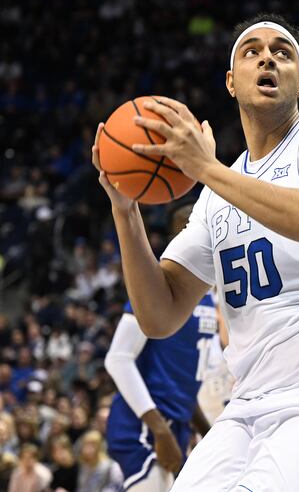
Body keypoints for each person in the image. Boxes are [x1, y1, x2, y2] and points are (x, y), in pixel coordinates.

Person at [91, 12, 299, 490]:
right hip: (248, 406)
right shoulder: (217, 194)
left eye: (282, 53)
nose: (267, 57)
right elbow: (158, 315)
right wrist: (125, 212)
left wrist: (206, 168)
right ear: (231, 82)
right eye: (251, 51)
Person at [104, 202, 216, 491]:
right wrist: (159, 429)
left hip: (175, 422)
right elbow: (117, 359)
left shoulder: (206, 296)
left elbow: (181, 376)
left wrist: (207, 430)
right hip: (144, 424)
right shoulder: (162, 287)